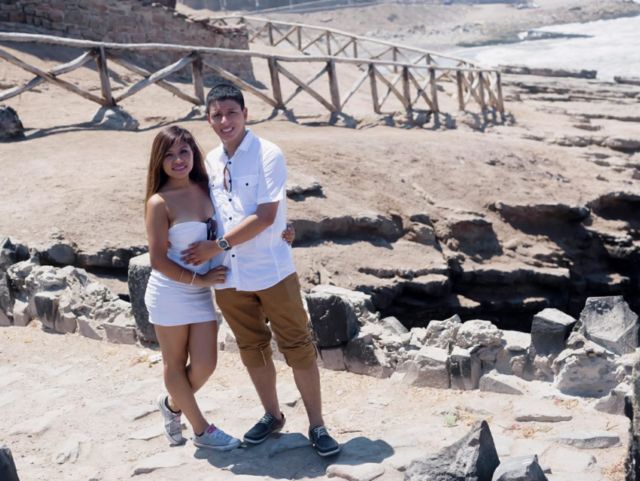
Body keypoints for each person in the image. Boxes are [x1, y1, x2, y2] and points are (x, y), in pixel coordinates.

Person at [181, 82, 341, 457]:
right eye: (217, 115)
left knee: (297, 345)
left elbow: (267, 215)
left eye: (231, 113)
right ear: (208, 119)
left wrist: (218, 246)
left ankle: (317, 425)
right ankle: (272, 415)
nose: (225, 121)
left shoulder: (268, 153)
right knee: (252, 347)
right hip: (228, 275)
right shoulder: (209, 161)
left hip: (271, 269)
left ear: (245, 114)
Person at [144, 125, 242, 451]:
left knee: (205, 365)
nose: (178, 160)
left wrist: (285, 227)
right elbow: (158, 260)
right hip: (170, 292)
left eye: (183, 152)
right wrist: (200, 279)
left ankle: (172, 405)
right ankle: (202, 431)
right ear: (159, 161)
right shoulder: (159, 202)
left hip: (200, 292)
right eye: (169, 155)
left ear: (193, 154)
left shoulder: (206, 188)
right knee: (174, 363)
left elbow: (240, 214)